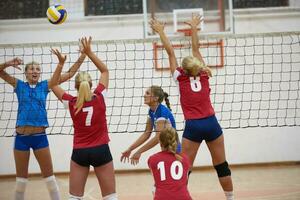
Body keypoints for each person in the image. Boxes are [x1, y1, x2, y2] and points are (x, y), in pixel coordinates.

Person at [150, 15, 234, 200]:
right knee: (221, 165)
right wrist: (195, 28)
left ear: (184, 69)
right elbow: (196, 48)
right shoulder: (204, 74)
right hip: (212, 123)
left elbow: (170, 52)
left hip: (194, 126)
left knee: (183, 166)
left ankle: (177, 196)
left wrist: (161, 31)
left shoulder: (179, 77)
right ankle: (230, 198)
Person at [0, 48, 85, 200]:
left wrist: (82, 56)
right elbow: (0, 72)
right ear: (25, 73)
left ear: (40, 73)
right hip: (21, 138)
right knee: (21, 181)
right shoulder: (19, 85)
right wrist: (7, 63)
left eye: (38, 69)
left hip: (40, 137)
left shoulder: (45, 85)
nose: (35, 71)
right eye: (31, 69)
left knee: (50, 179)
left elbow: (70, 74)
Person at [51, 36, 118, 200]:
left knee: (74, 197)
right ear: (91, 84)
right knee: (110, 197)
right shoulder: (100, 97)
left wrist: (60, 64)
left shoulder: (71, 102)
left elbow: (52, 84)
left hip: (80, 151)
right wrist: (89, 53)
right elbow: (105, 71)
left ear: (76, 86)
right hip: (101, 149)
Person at [121, 85, 177, 165]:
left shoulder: (162, 112)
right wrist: (130, 149)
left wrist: (139, 152)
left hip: (174, 149)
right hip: (165, 149)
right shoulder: (151, 111)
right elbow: (147, 133)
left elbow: (158, 137)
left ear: (155, 98)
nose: (144, 95)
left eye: (147, 93)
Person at [148, 127, 192, 200]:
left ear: (160, 143)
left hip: (162, 197)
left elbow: (157, 180)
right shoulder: (185, 159)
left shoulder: (152, 159)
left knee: (155, 189)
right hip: (184, 198)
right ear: (177, 142)